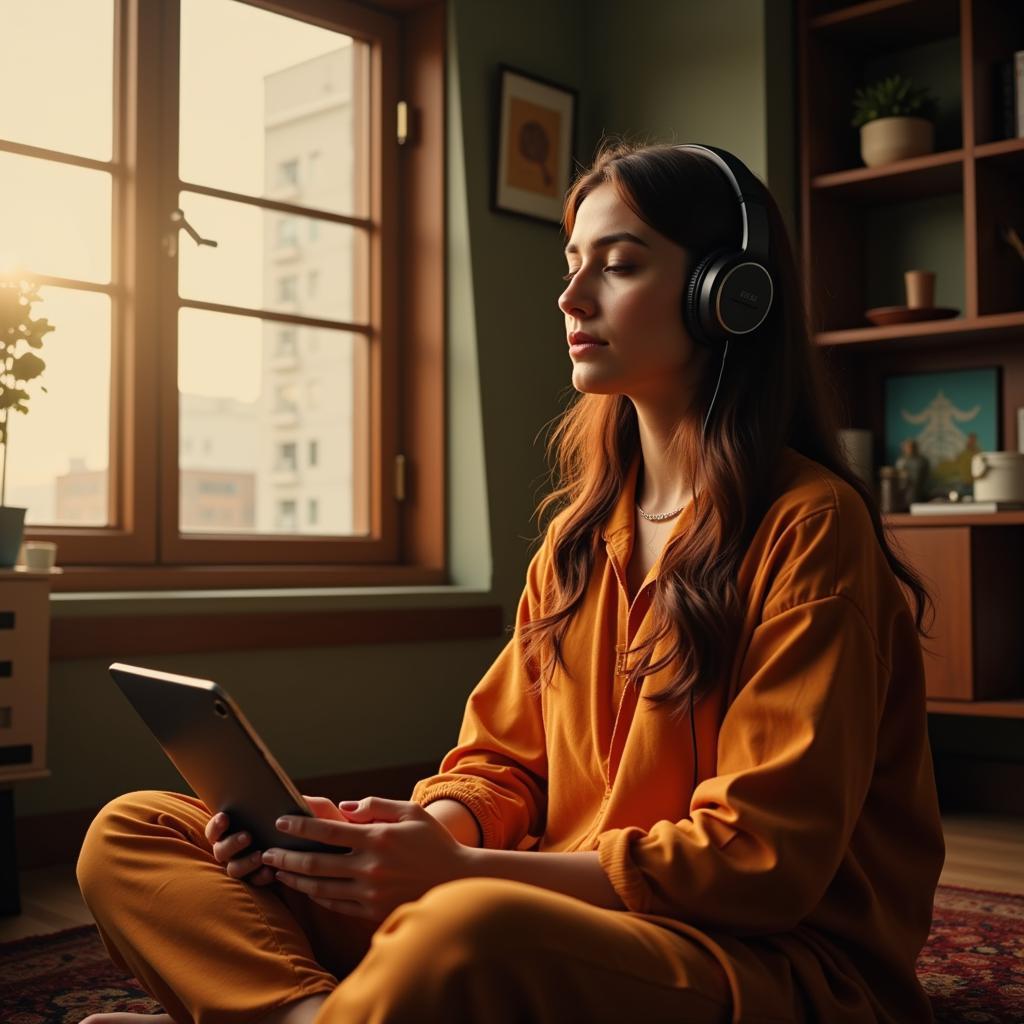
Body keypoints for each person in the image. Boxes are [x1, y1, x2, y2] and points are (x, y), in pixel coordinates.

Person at [76, 142, 944, 1024]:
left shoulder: (809, 528)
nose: (572, 298)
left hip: (760, 962)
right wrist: (404, 840)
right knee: (133, 832)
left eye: (620, 265)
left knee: (467, 928)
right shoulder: (575, 541)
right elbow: (501, 764)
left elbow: (760, 862)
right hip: (543, 907)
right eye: (573, 265)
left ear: (728, 296)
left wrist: (461, 875)